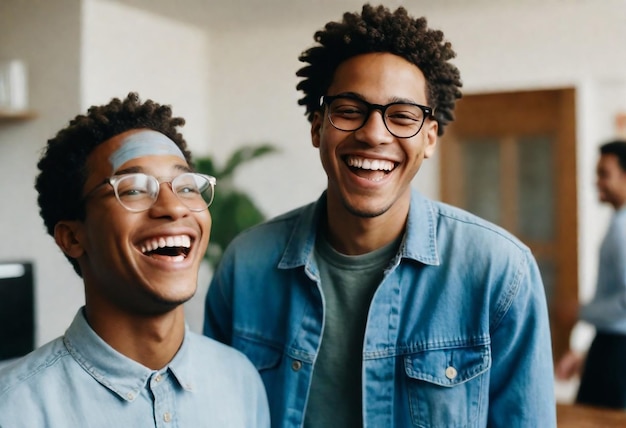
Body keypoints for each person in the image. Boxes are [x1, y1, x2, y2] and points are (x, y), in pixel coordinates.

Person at [203, 4, 555, 427]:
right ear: (318, 127)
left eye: (402, 116)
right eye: (350, 110)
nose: (373, 133)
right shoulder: (246, 266)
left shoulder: (499, 271)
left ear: (429, 139)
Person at [0, 93, 270, 427]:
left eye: (186, 187)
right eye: (133, 189)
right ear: (72, 237)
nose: (174, 207)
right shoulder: (14, 407)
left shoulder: (241, 380)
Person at [556, 140, 626, 409]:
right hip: (609, 348)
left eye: (603, 174)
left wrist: (580, 312)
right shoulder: (617, 223)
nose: (597, 182)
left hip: (616, 352)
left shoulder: (622, 231)